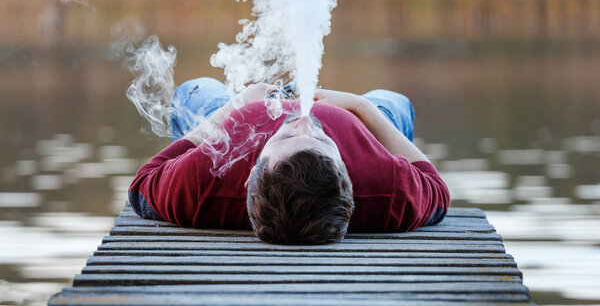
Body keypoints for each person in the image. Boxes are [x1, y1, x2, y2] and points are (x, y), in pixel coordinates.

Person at [129, 77, 450, 245]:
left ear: (250, 174)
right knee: (393, 101)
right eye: (324, 141)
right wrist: (362, 109)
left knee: (198, 89)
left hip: (230, 116)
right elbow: (437, 190)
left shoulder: (205, 179)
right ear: (349, 176)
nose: (303, 122)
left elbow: (142, 185)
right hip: (356, 116)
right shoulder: (386, 187)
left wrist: (234, 107)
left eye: (284, 138)